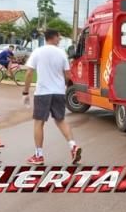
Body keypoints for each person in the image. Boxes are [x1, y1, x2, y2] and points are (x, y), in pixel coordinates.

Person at [22, 29, 82, 165]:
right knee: (61, 120)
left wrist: (25, 92)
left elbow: (29, 73)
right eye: (59, 37)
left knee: (39, 123)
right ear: (53, 37)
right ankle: (73, 146)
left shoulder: (37, 52)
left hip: (43, 93)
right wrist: (63, 86)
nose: (60, 39)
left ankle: (38, 156)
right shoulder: (62, 53)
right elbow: (68, 75)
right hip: (59, 92)